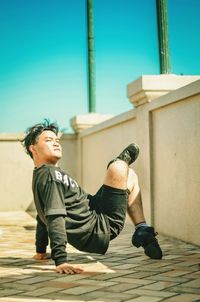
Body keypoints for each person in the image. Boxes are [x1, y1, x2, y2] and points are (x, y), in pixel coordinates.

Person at [22, 120, 162, 274]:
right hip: (99, 227)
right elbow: (53, 216)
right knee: (118, 168)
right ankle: (119, 163)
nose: (56, 143)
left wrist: (40, 250)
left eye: (57, 140)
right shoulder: (50, 175)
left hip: (95, 211)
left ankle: (142, 230)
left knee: (130, 175)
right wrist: (60, 260)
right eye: (49, 140)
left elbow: (41, 216)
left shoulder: (43, 174)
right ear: (33, 149)